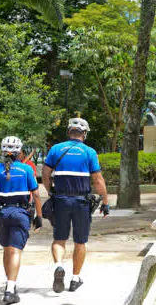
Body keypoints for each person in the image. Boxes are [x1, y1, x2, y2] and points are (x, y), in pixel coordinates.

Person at [42, 118, 109, 293]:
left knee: (59, 239)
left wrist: (50, 192)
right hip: (81, 202)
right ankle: (75, 278)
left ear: (68, 132)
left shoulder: (56, 149)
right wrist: (105, 201)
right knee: (80, 241)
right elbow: (98, 179)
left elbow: (45, 173)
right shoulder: (89, 152)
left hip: (61, 200)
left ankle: (58, 265)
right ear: (84, 134)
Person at [0, 136, 42, 305]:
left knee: (7, 249)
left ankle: (9, 283)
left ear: (3, 151)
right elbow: (36, 194)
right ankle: (10, 289)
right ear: (19, 151)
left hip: (2, 214)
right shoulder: (26, 170)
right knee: (15, 250)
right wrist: (39, 216)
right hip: (20, 213)